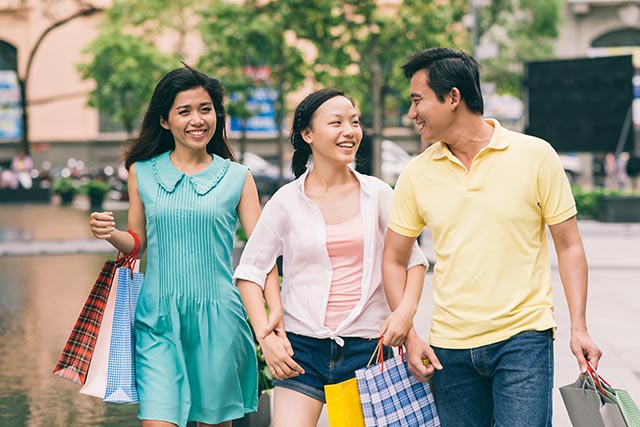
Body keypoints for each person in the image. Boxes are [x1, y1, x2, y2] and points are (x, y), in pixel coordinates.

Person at [381, 47, 602, 427]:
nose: (411, 113)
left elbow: (569, 245)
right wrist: (412, 335)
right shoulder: (416, 173)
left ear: (453, 97)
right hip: (448, 349)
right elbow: (394, 258)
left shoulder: (535, 155)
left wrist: (578, 326)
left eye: (418, 100)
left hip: (523, 338)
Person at [88, 65, 279, 427]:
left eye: (205, 109)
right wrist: (110, 233)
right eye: (185, 110)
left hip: (220, 322)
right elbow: (136, 243)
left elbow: (261, 254)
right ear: (165, 121)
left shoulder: (239, 178)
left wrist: (272, 318)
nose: (197, 119)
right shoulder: (141, 171)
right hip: (157, 320)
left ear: (216, 116)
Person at [233, 88, 428, 427]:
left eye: (354, 122)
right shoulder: (286, 201)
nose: (349, 131)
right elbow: (250, 271)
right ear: (307, 134)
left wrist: (406, 319)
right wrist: (266, 337)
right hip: (301, 348)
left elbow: (413, 261)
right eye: (336, 123)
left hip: (367, 349)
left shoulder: (378, 194)